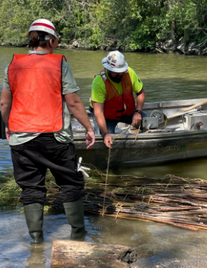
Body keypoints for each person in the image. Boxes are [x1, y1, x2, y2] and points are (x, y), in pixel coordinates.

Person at [0, 18, 95, 244]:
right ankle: (78, 237)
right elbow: (73, 102)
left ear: (31, 39)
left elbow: (4, 104)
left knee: (31, 188)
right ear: (51, 41)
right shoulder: (59, 63)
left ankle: (36, 242)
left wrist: (7, 125)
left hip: (21, 137)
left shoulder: (12, 64)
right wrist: (89, 128)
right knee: (70, 183)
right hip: (56, 137)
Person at [90, 50, 145, 148]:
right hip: (105, 115)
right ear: (108, 69)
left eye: (121, 71)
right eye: (116, 72)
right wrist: (105, 133)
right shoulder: (99, 83)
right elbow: (98, 112)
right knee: (107, 140)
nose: (119, 74)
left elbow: (140, 92)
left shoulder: (129, 73)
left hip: (126, 111)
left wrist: (138, 112)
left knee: (148, 122)